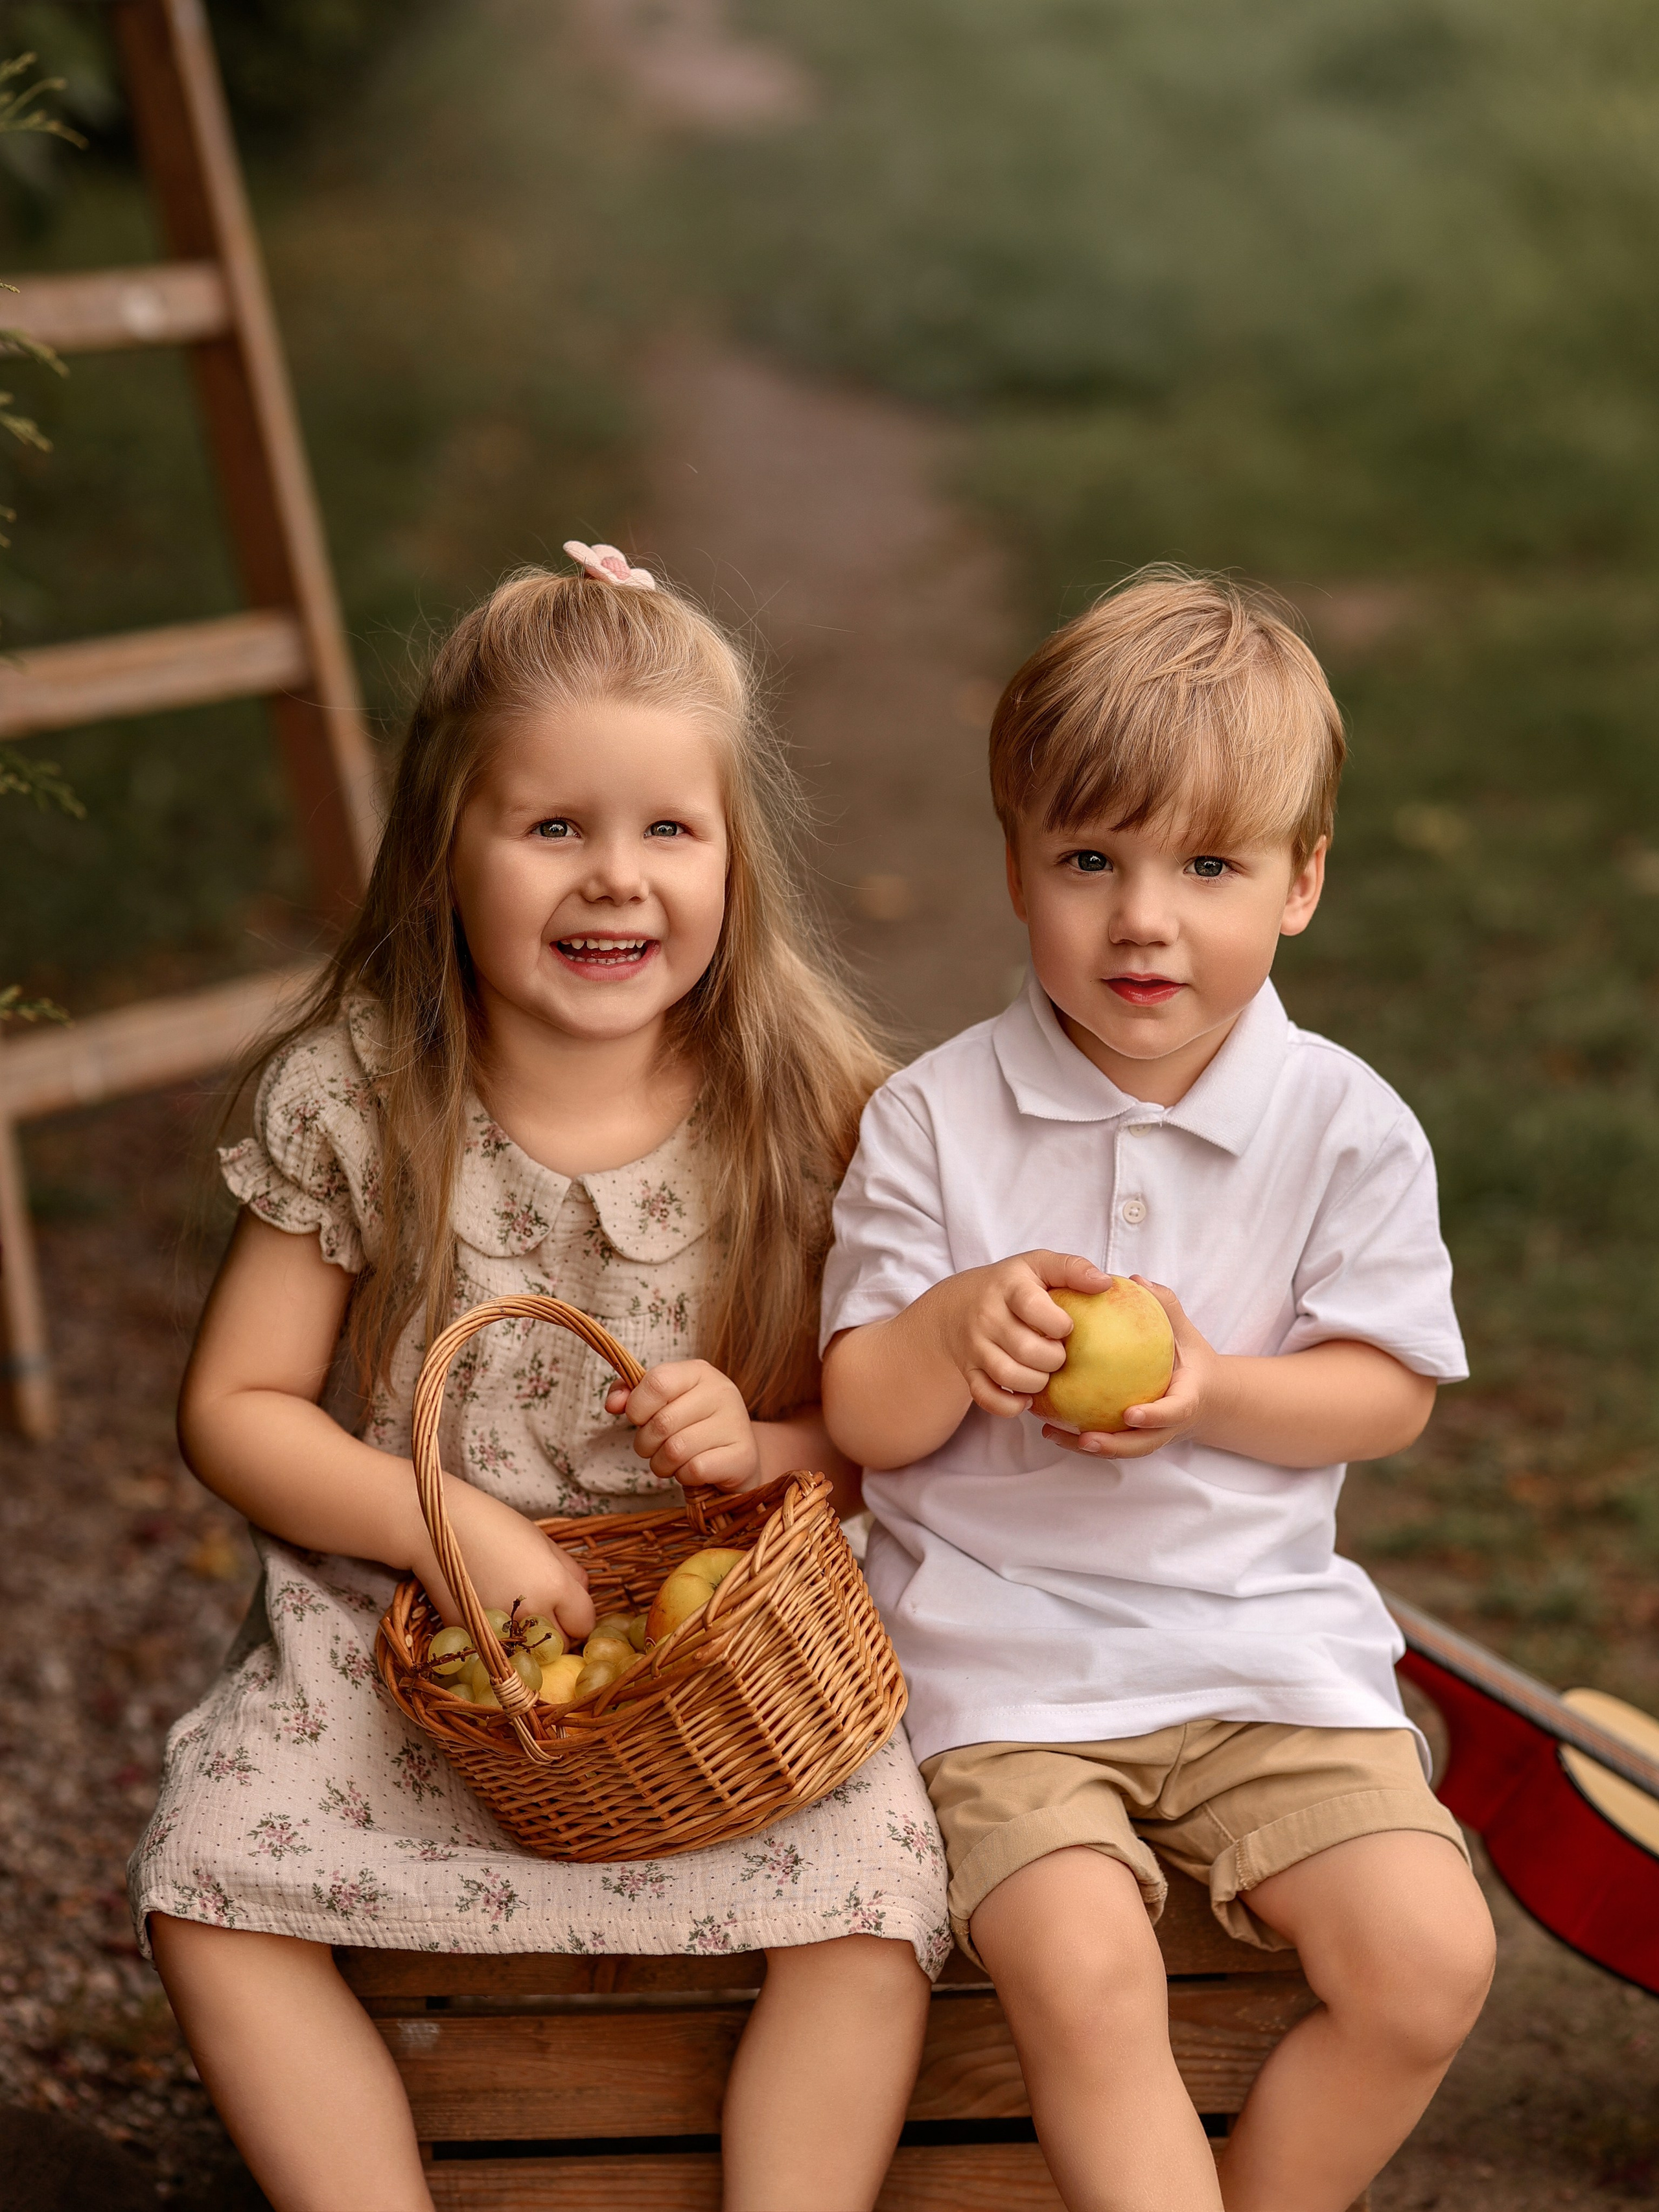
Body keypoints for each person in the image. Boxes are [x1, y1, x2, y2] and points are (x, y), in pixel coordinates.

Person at [131, 546, 949, 2212]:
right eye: (552, 829)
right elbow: (234, 1406)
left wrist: (769, 1435)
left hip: (716, 1665)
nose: (614, 882)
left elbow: (889, 1436)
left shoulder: (805, 1105)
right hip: (411, 1638)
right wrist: (453, 1532)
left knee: (873, 1904)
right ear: (447, 848)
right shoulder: (363, 1092)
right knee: (209, 1875)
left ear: (736, 856)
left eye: (668, 830)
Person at [819, 570, 1496, 2212]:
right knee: (1084, 1972)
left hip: (1256, 1644)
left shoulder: (1341, 1124)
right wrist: (954, 1330)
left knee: (1427, 1962)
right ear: (1014, 870)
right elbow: (862, 1417)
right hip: (1002, 1664)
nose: (1143, 918)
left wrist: (1210, 1391)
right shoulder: (934, 1120)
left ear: (1299, 885)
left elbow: (1384, 1393)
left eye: (1207, 867)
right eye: (1088, 861)